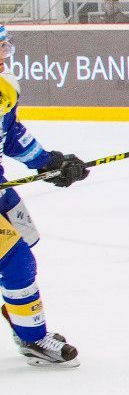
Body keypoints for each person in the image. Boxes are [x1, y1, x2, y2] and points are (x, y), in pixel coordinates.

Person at [0, 26, 89, 365]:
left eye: (5, 47)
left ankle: (18, 314)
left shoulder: (6, 84)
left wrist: (48, 163)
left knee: (25, 239)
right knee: (16, 260)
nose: (4, 55)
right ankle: (32, 337)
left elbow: (10, 136)